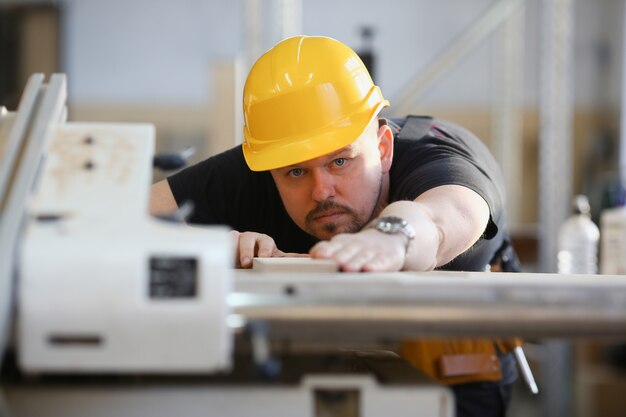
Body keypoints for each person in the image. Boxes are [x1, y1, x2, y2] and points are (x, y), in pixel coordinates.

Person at [150, 35, 519, 417]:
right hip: (316, 364)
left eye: (340, 162)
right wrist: (205, 245)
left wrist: (393, 237)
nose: (321, 191)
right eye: (295, 172)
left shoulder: (440, 158)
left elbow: (445, 216)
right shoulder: (264, 163)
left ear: (383, 148)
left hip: (450, 373)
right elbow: (112, 218)